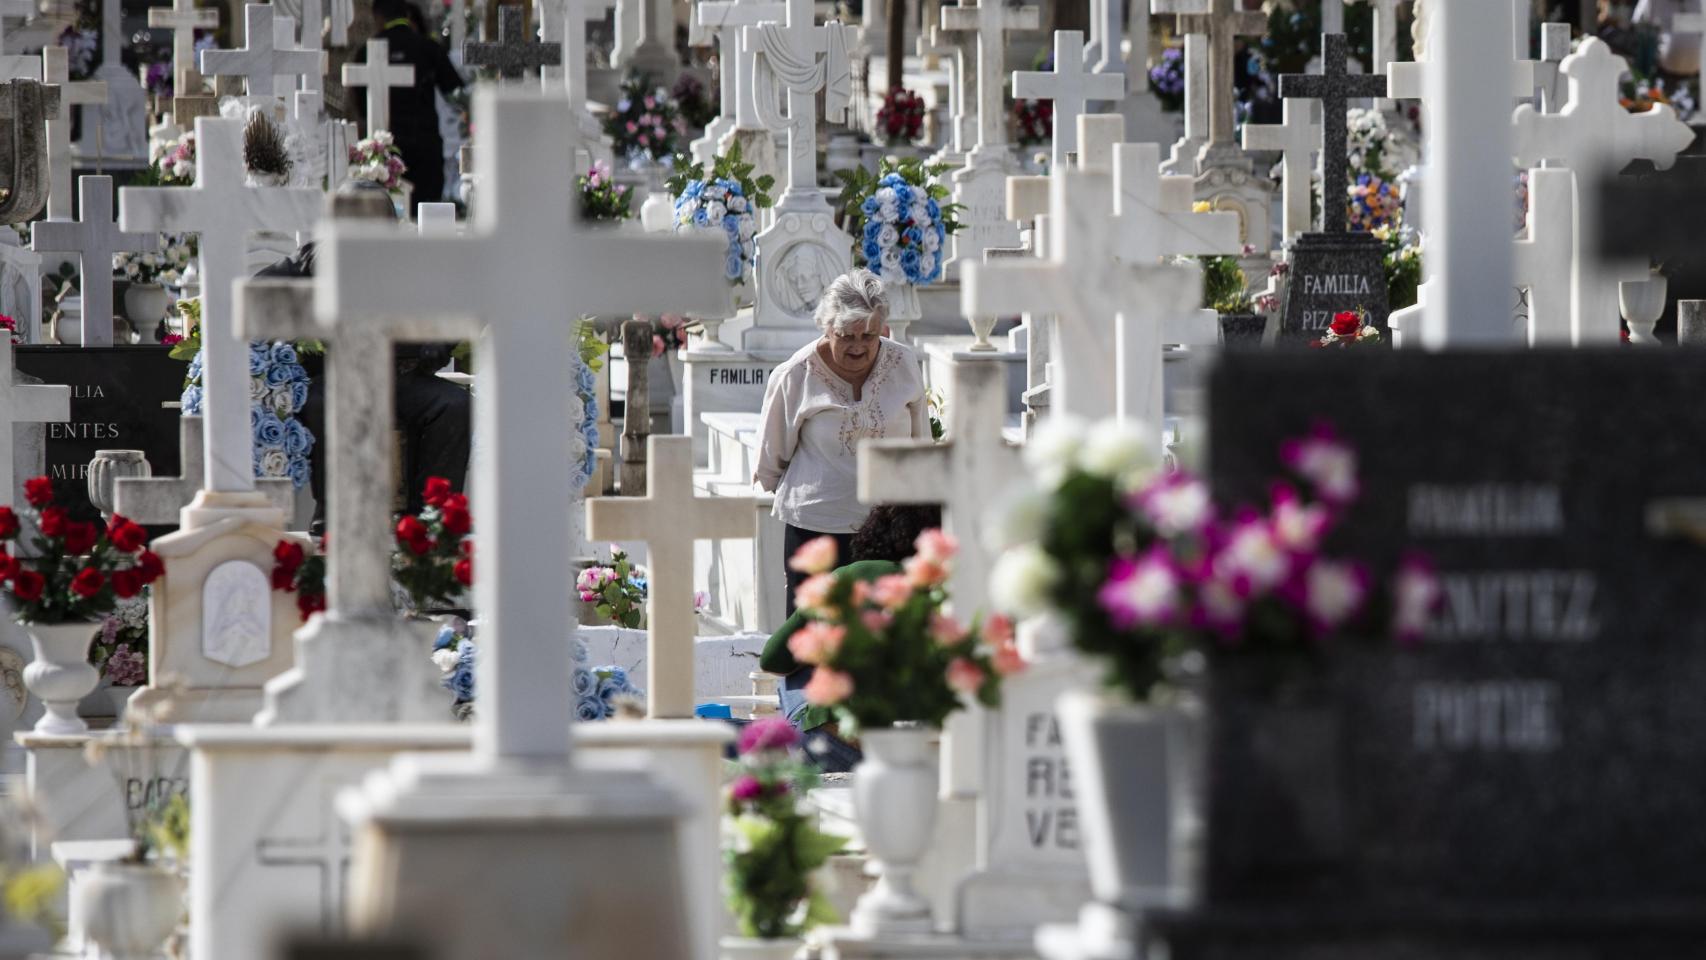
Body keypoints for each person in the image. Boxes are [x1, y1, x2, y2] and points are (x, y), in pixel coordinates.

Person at [257, 181, 472, 519]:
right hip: (340, 375)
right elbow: (258, 292)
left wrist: (440, 341)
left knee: (455, 405)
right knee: (317, 403)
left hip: (403, 376)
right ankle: (333, 513)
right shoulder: (318, 256)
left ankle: (432, 521)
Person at [752, 269, 929, 616]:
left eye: (870, 335)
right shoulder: (796, 374)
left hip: (889, 530)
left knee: (883, 638)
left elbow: (921, 445)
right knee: (814, 638)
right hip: (817, 530)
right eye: (847, 336)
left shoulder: (903, 363)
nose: (859, 346)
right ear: (826, 326)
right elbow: (771, 459)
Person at [760, 504, 942, 772]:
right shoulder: (943, 589)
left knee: (798, 670)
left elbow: (772, 659)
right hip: (920, 752)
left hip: (835, 744)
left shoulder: (849, 576)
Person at [353, 0, 464, 215]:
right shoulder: (429, 48)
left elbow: (360, 104)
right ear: (407, 15)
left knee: (388, 216)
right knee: (427, 215)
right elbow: (456, 93)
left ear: (378, 17)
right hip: (425, 147)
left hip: (385, 152)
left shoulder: (366, 52)